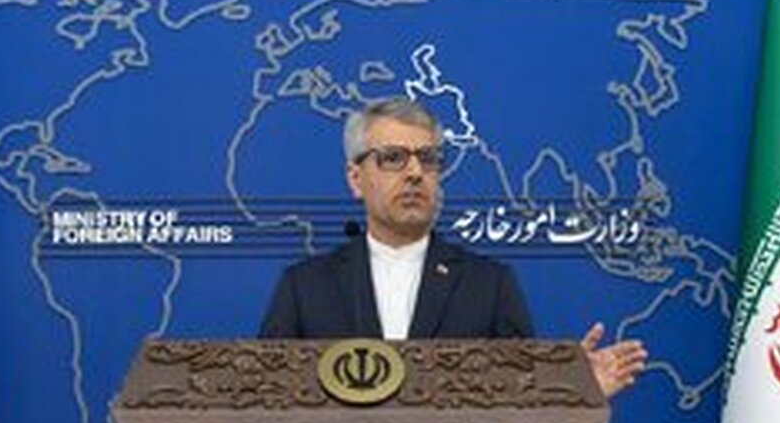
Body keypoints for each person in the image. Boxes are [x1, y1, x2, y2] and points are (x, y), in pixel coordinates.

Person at [259, 97, 646, 397]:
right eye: (393, 158)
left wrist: (574, 391)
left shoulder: (489, 285)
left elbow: (520, 404)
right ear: (355, 178)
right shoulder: (305, 287)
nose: (415, 172)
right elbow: (264, 402)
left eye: (427, 159)